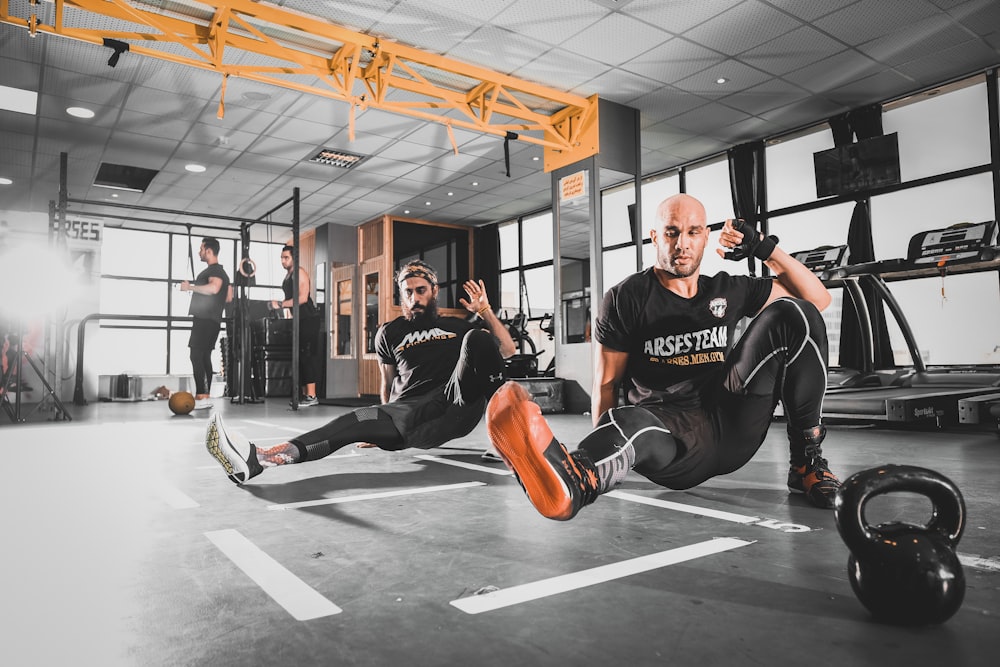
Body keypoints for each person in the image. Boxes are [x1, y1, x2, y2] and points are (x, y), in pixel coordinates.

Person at [487, 193, 841, 521]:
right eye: (671, 232)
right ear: (655, 237)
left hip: (732, 422)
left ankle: (806, 463)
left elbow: (818, 299)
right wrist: (610, 456)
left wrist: (763, 248)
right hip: (668, 437)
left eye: (692, 232)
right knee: (627, 420)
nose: (682, 243)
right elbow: (607, 383)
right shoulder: (627, 297)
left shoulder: (728, 288)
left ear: (706, 237)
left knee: (795, 313)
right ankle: (576, 480)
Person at [205, 260, 516, 484]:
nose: (414, 298)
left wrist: (485, 312)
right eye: (407, 292)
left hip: (455, 403)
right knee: (351, 423)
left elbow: (507, 350)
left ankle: (507, 438)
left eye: (421, 290)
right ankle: (258, 460)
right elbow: (388, 382)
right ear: (399, 294)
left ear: (433, 291)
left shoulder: (456, 326)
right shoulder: (388, 332)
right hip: (410, 414)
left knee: (479, 338)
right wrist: (378, 424)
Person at [180, 237, 230, 410]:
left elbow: (214, 288)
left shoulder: (215, 270)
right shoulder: (219, 271)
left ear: (209, 251)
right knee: (203, 357)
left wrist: (191, 288)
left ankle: (202, 396)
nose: (199, 252)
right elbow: (228, 296)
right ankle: (204, 397)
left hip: (206, 319)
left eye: (201, 249)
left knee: (196, 356)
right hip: (210, 319)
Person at [270, 245, 322, 407]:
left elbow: (303, 298)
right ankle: (306, 395)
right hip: (299, 319)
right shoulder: (288, 275)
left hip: (309, 318)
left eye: (286, 257)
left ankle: (312, 396)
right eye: (282, 257)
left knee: (306, 355)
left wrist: (280, 304)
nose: (283, 261)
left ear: (294, 258)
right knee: (299, 356)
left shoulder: (299, 272)